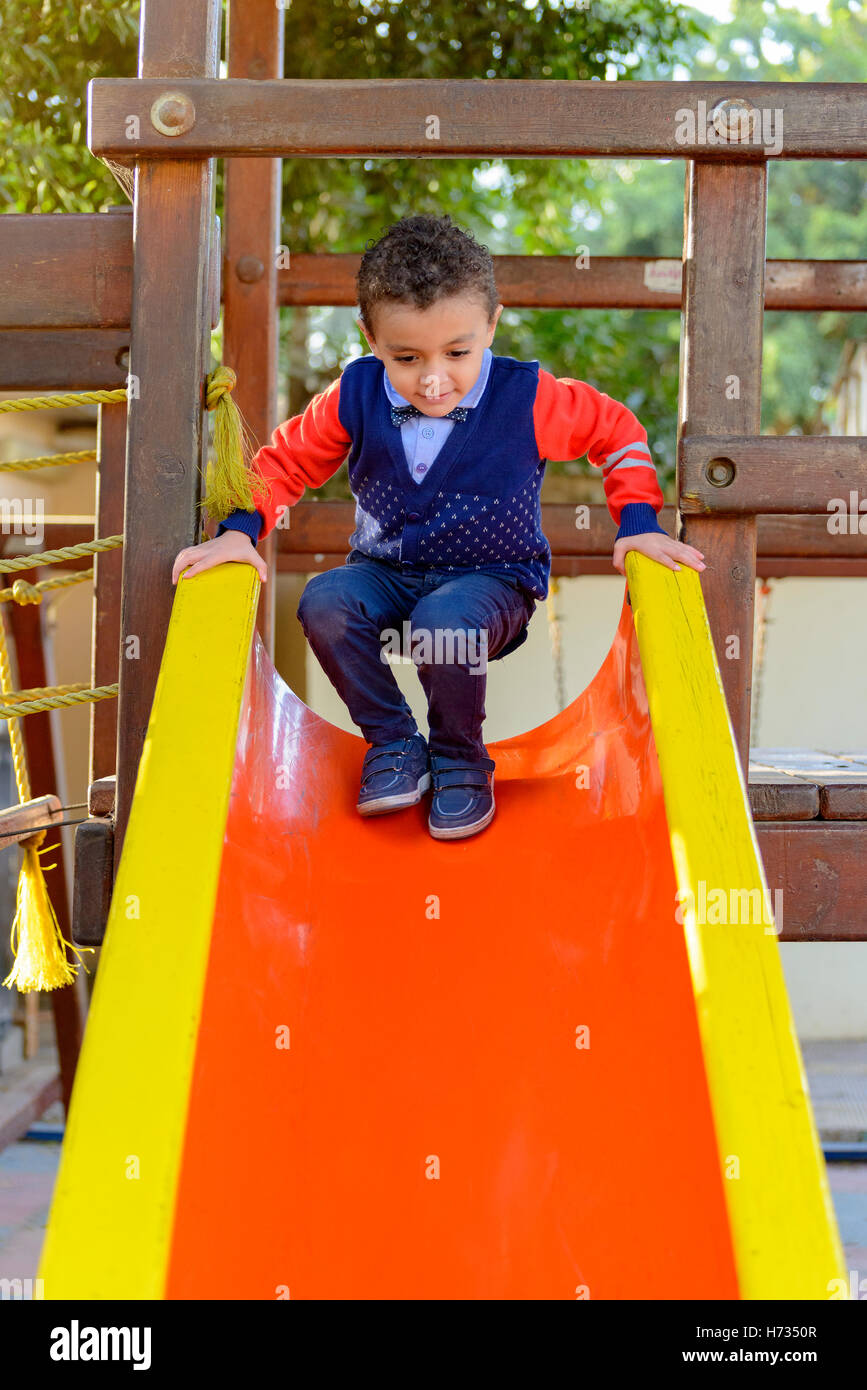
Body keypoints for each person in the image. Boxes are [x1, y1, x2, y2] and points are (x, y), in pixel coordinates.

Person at [172, 213, 705, 840]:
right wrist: (237, 531)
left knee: (443, 623)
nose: (433, 378)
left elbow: (617, 433)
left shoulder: (526, 396)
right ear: (371, 338)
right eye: (407, 357)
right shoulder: (356, 393)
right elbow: (285, 462)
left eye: (458, 353)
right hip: (386, 575)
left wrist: (636, 522)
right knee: (325, 602)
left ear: (492, 325)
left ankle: (459, 759)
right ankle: (396, 743)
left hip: (492, 581)